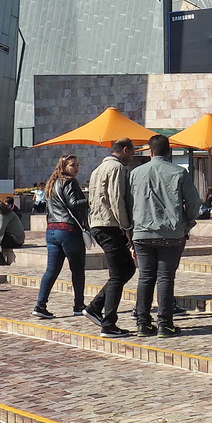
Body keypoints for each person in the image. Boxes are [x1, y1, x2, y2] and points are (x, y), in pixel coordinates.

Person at [130, 133, 199, 337]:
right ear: (169, 151)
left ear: (150, 152)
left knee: (145, 277)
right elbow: (194, 202)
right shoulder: (179, 172)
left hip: (142, 232)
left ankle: (143, 323)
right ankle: (165, 324)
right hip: (172, 232)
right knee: (165, 278)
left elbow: (128, 202)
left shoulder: (135, 173)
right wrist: (187, 222)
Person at [85, 138, 136, 338]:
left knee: (126, 269)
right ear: (124, 150)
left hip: (98, 223)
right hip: (110, 225)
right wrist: (126, 227)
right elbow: (117, 199)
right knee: (118, 273)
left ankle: (95, 307)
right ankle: (108, 323)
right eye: (131, 153)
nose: (132, 157)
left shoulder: (97, 169)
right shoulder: (117, 168)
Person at [34, 155, 89, 320]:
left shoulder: (52, 183)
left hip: (52, 230)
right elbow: (73, 204)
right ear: (64, 166)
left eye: (78, 165)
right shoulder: (69, 182)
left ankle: (40, 305)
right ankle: (79, 305)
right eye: (73, 165)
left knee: (52, 270)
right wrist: (91, 199)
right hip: (68, 230)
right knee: (77, 269)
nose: (76, 168)